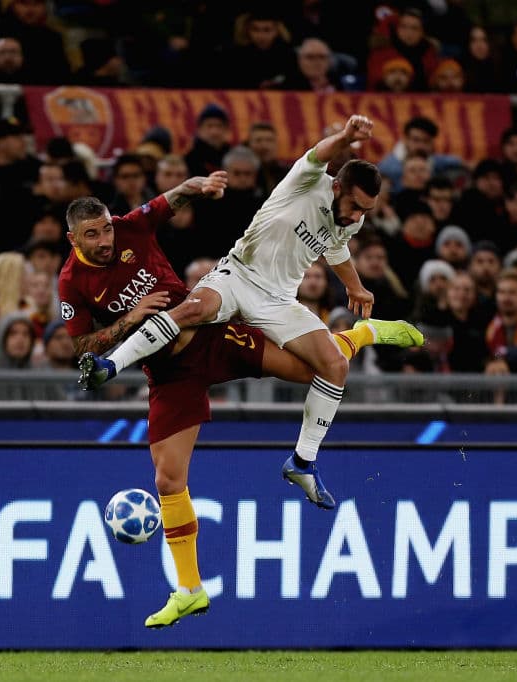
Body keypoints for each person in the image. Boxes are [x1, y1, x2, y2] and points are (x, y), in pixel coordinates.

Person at [58, 170, 400, 629]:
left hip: (211, 337)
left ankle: (359, 335)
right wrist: (130, 319)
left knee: (312, 369)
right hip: (167, 374)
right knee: (167, 479)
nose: (104, 239)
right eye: (92, 234)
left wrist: (195, 185)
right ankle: (190, 590)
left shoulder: (131, 228)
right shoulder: (72, 282)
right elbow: (81, 348)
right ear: (72, 238)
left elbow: (168, 200)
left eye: (105, 228)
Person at [76, 116, 423, 508]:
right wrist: (344, 137)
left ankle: (303, 462)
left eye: (366, 211)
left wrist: (354, 284)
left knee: (333, 367)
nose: (358, 216)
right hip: (238, 273)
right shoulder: (306, 182)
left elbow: (336, 245)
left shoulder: (349, 220)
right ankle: (109, 365)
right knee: (194, 308)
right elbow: (318, 154)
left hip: (278, 300)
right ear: (337, 186)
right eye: (355, 206)